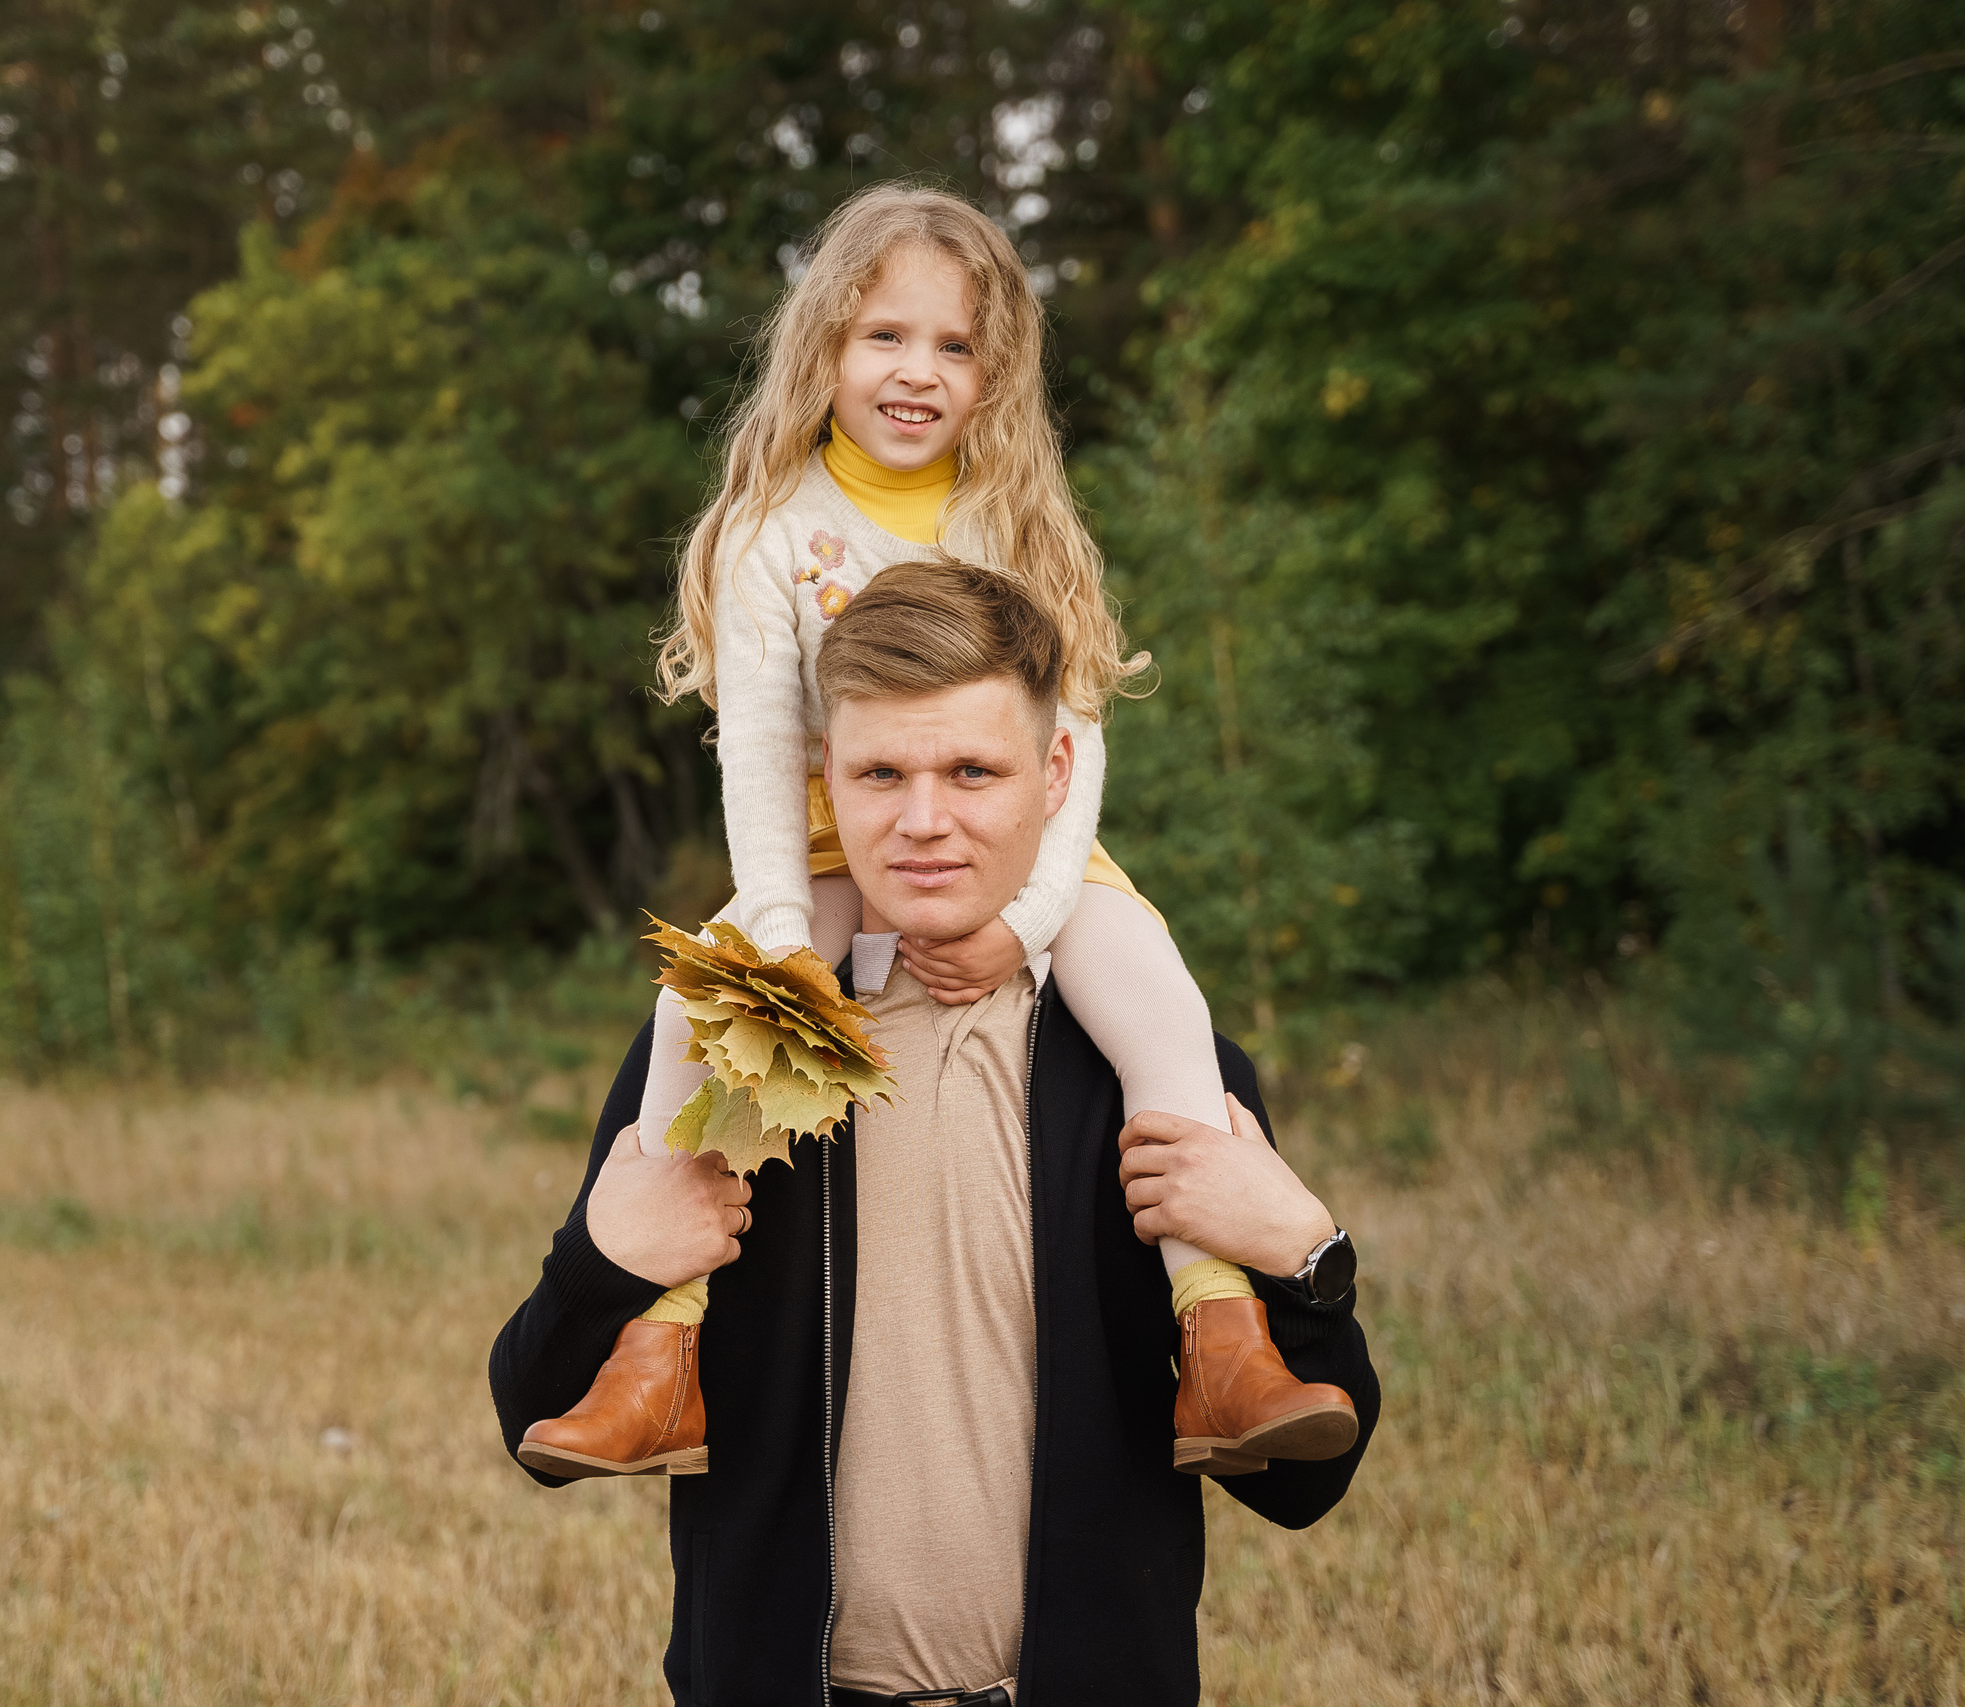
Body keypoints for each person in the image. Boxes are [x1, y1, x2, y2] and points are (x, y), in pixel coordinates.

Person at [516, 180, 1347, 1480]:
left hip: (1029, 853)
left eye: (955, 345)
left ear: (995, 369)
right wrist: (786, 934)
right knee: (702, 1010)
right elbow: (760, 754)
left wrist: (1029, 917)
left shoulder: (1012, 518)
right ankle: (656, 1354)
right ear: (825, 350)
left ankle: (1225, 1337)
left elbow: (1079, 735)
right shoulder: (771, 535)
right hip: (823, 848)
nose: (918, 371)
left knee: (1163, 1004)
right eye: (884, 336)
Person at [490, 561, 1380, 1704]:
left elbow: (1305, 1487)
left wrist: (1307, 1253)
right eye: (880, 773)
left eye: (972, 770)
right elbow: (532, 1418)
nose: (923, 822)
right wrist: (602, 1264)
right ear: (823, 779)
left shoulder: (1145, 1069)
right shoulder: (736, 1056)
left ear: (1055, 772)